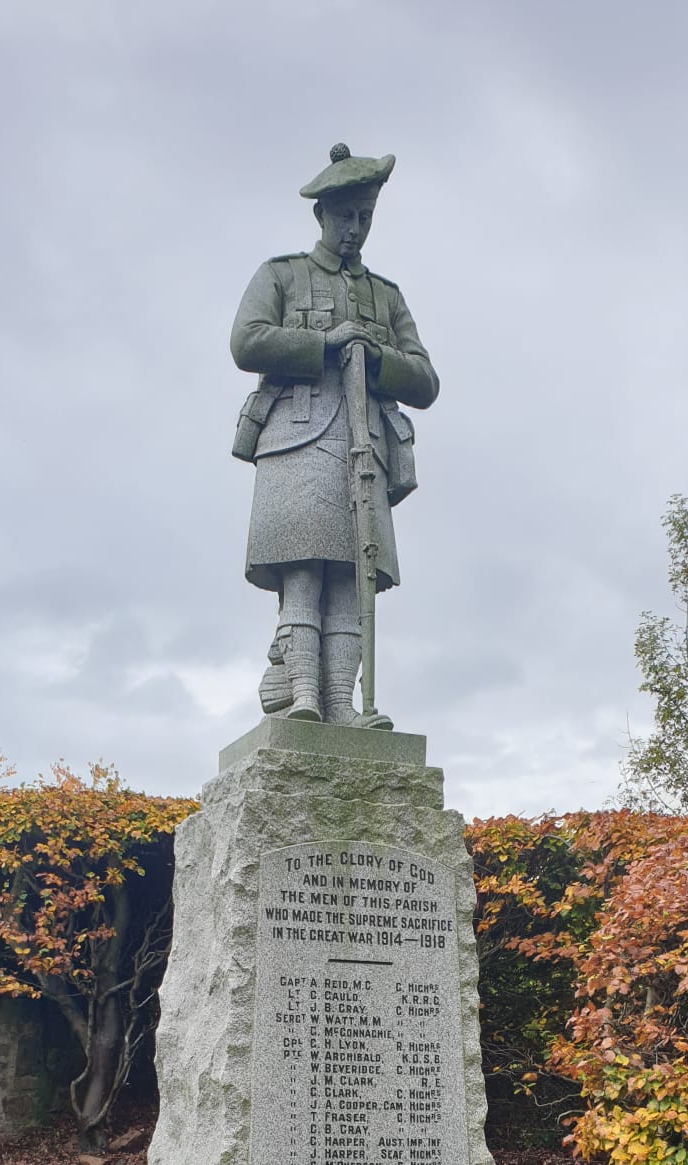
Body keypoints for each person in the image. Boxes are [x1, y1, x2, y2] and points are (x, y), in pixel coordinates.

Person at [230, 144, 439, 729]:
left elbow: (425, 378)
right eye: (344, 216)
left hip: (364, 444)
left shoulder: (387, 296)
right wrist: (325, 343)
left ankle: (343, 705)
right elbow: (246, 340)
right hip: (295, 437)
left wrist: (375, 356)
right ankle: (303, 694)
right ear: (321, 215)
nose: (354, 229)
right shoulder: (282, 275)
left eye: (364, 217)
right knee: (303, 572)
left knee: (354, 577)